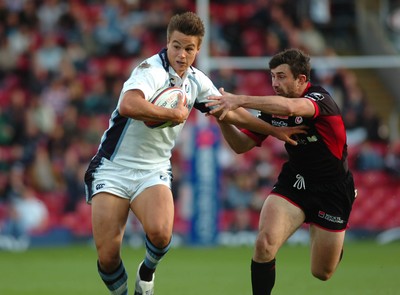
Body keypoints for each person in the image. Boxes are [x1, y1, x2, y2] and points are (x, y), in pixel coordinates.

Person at [84, 12, 303, 295]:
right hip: (113, 167)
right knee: (108, 256)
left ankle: (146, 272)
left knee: (162, 235)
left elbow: (231, 111)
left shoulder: (197, 81)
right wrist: (169, 113)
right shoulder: (150, 71)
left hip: (153, 169)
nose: (182, 54)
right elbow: (128, 104)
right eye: (176, 46)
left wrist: (273, 131)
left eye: (189, 48)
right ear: (167, 43)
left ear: (198, 49)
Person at [207, 48, 357, 295]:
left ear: (301, 79)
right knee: (264, 244)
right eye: (272, 77)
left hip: (333, 190)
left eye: (281, 76)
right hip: (295, 182)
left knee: (322, 272)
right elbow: (240, 146)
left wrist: (238, 100)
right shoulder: (273, 108)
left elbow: (290, 108)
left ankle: (332, 242)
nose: (274, 83)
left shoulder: (320, 99)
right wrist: (223, 118)